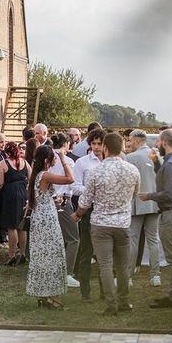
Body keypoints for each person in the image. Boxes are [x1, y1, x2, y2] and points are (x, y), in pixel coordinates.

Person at [75, 133, 140, 316]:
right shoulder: (132, 170)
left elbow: (85, 201)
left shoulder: (97, 171)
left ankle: (112, 305)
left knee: (105, 265)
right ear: (121, 147)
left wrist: (78, 214)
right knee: (122, 265)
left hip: (101, 224)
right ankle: (124, 301)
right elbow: (135, 194)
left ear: (105, 148)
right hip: (123, 223)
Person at [139, 129, 172, 309]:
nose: (155, 145)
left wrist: (148, 196)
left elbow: (168, 193)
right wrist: (155, 162)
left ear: (165, 143)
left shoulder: (170, 164)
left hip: (171, 213)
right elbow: (168, 181)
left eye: (158, 142)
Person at [27, 145, 73, 309]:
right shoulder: (45, 175)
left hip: (40, 217)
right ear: (47, 160)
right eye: (53, 157)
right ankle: (49, 296)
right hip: (47, 220)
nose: (55, 159)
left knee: (43, 255)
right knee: (51, 255)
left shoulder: (37, 175)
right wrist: (63, 159)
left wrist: (54, 201)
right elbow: (70, 179)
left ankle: (44, 295)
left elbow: (41, 197)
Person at [71, 128, 105, 301]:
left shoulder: (110, 162)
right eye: (94, 143)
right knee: (86, 252)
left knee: (105, 255)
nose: (97, 147)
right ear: (90, 144)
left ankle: (105, 292)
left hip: (106, 211)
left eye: (100, 144)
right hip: (88, 210)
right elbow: (75, 187)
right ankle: (85, 292)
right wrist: (92, 191)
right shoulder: (82, 162)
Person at [125, 129, 162, 286]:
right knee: (153, 239)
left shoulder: (131, 157)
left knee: (133, 239)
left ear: (138, 141)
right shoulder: (157, 155)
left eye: (130, 140)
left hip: (137, 202)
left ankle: (128, 277)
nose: (129, 143)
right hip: (155, 202)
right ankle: (155, 276)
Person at [48, 133, 80, 288]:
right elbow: (71, 182)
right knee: (74, 239)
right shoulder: (67, 161)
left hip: (48, 200)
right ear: (66, 143)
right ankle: (67, 273)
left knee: (55, 238)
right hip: (62, 200)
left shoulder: (47, 158)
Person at [0, 141, 31, 265]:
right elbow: (31, 179)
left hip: (10, 195)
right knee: (22, 226)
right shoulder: (25, 163)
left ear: (7, 152)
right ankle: (23, 253)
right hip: (23, 193)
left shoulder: (5, 163)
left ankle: (12, 255)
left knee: (11, 226)